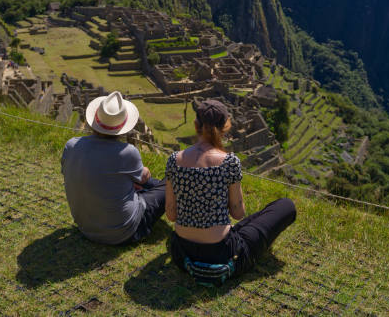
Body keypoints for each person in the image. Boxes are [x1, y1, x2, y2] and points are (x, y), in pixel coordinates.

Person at [165, 99, 296, 285]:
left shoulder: (173, 160)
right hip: (222, 255)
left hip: (182, 254)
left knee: (242, 227)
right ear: (225, 127)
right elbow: (238, 213)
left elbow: (171, 215)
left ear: (196, 126)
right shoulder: (229, 162)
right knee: (286, 205)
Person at [61, 91, 166, 244]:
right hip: (124, 233)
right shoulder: (127, 152)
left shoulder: (71, 145)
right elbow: (144, 177)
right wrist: (145, 172)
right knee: (170, 183)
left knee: (153, 185)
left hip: (85, 227)